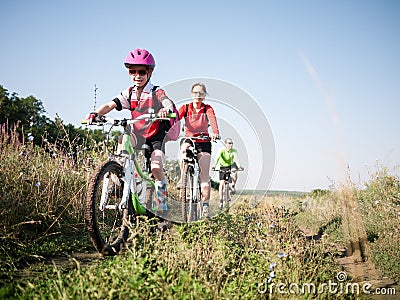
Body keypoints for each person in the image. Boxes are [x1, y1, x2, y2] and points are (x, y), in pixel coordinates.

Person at [86, 48, 176, 214]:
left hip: (156, 135)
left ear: (149, 72)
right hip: (139, 134)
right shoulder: (129, 92)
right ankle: (119, 179)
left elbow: (167, 102)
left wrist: (166, 110)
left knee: (156, 167)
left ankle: (163, 206)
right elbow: (110, 104)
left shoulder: (156, 92)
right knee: (122, 141)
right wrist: (96, 113)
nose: (137, 75)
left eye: (141, 72)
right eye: (132, 71)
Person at [178, 83, 220, 218]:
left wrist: (215, 132)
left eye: (201, 93)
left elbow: (212, 119)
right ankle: (183, 177)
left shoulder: (207, 108)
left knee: (204, 175)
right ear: (191, 94)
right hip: (189, 138)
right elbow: (175, 119)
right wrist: (169, 128)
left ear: (204, 96)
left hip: (204, 141)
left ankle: (206, 205)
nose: (198, 96)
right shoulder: (185, 108)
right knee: (184, 149)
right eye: (196, 93)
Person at [213, 138, 244, 209]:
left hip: (231, 165)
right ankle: (221, 201)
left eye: (232, 143)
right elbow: (217, 158)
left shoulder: (234, 151)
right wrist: (214, 166)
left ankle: (233, 186)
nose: (231, 145)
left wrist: (239, 166)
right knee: (221, 184)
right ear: (225, 144)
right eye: (229, 143)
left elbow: (236, 159)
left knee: (234, 172)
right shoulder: (221, 150)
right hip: (223, 166)